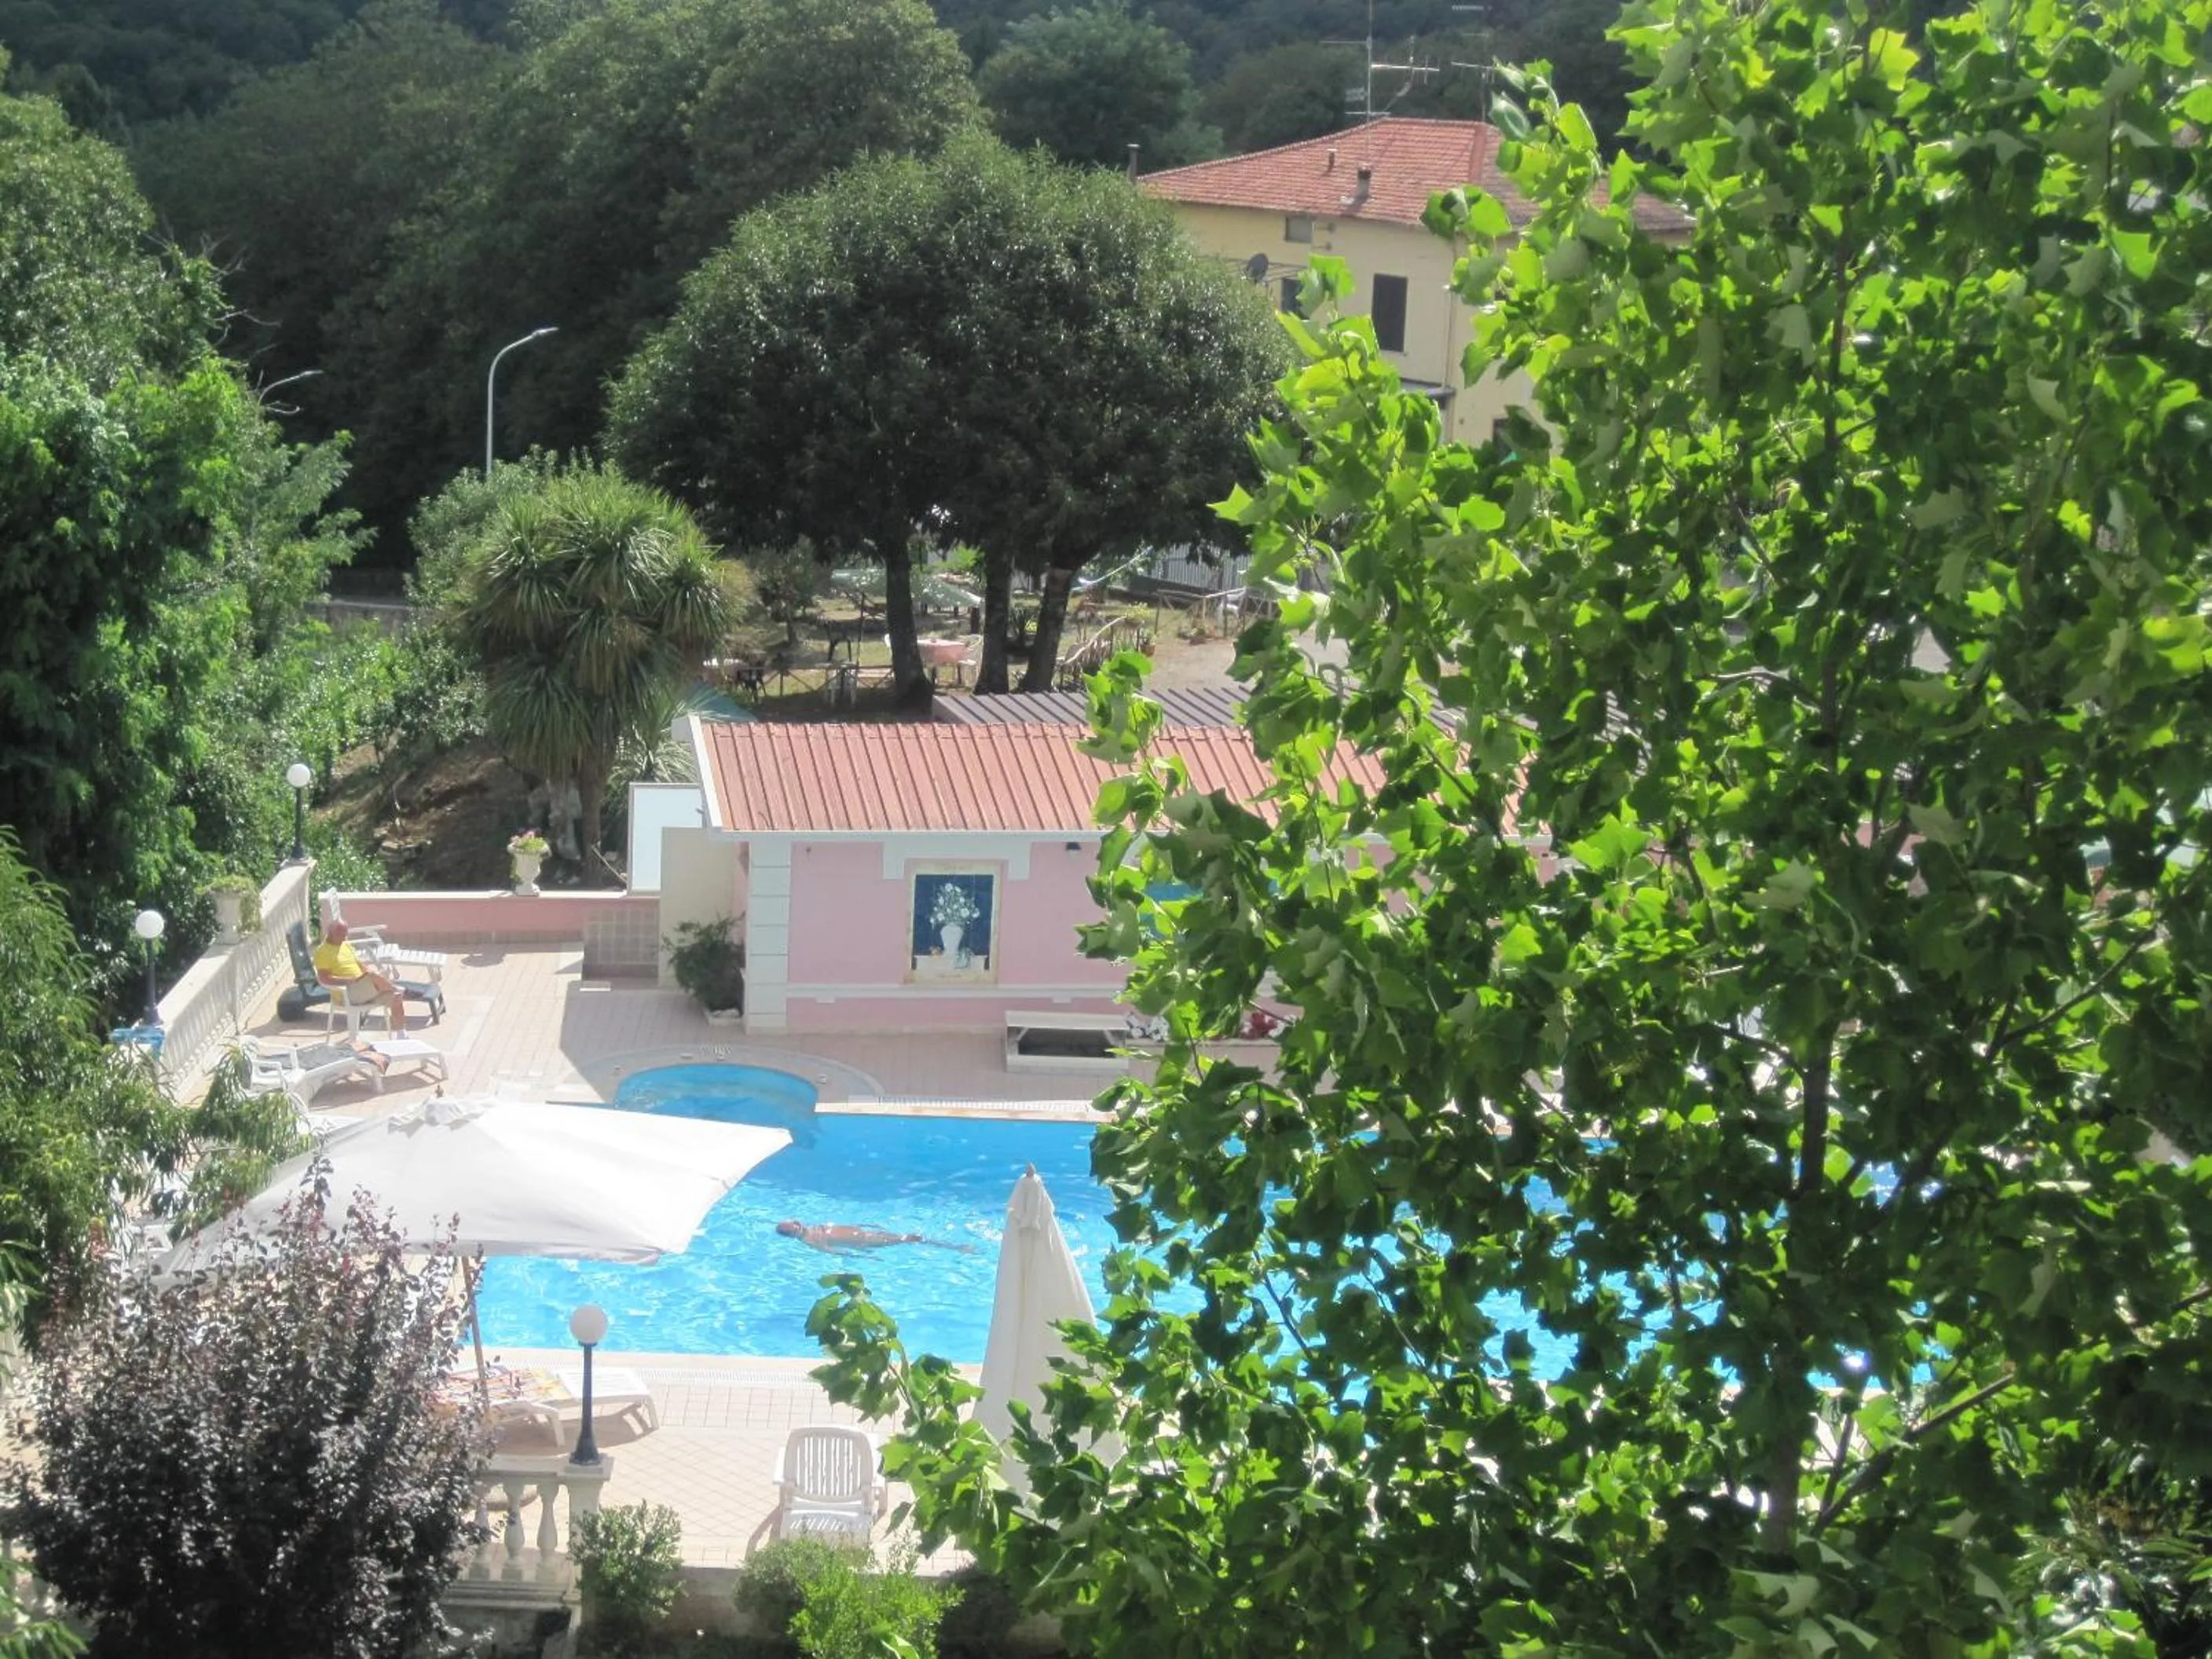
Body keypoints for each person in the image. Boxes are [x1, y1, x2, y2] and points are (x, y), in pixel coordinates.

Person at [311, 921, 441, 1029]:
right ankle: (401, 990)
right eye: (342, 934)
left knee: (395, 997)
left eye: (346, 933)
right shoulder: (322, 952)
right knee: (376, 977)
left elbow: (360, 965)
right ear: (332, 934)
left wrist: (367, 974)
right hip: (348, 994)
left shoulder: (346, 945)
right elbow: (324, 979)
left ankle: (402, 1035)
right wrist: (349, 981)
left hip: (364, 988)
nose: (345, 937)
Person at [775, 1220, 974, 1255]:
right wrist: (863, 1255)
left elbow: (835, 1250)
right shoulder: (811, 1239)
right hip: (863, 1240)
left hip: (864, 1235)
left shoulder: (811, 1235)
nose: (801, 1227)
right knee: (912, 1238)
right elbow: (836, 1252)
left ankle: (957, 1247)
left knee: (911, 1238)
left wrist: (866, 1226)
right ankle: (956, 1247)